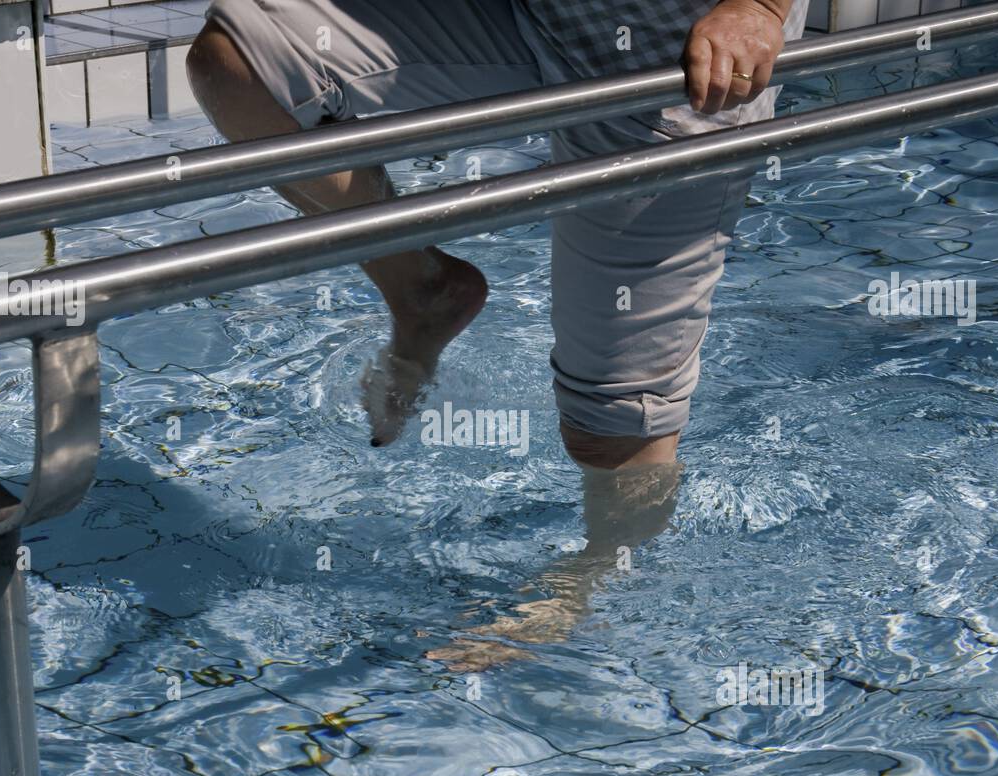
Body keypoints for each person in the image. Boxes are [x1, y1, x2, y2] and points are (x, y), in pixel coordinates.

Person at [186, 0, 807, 662]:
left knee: (615, 435)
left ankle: (591, 580)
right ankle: (421, 289)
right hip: (526, 15)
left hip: (668, 69)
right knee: (242, 62)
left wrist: (759, 8)